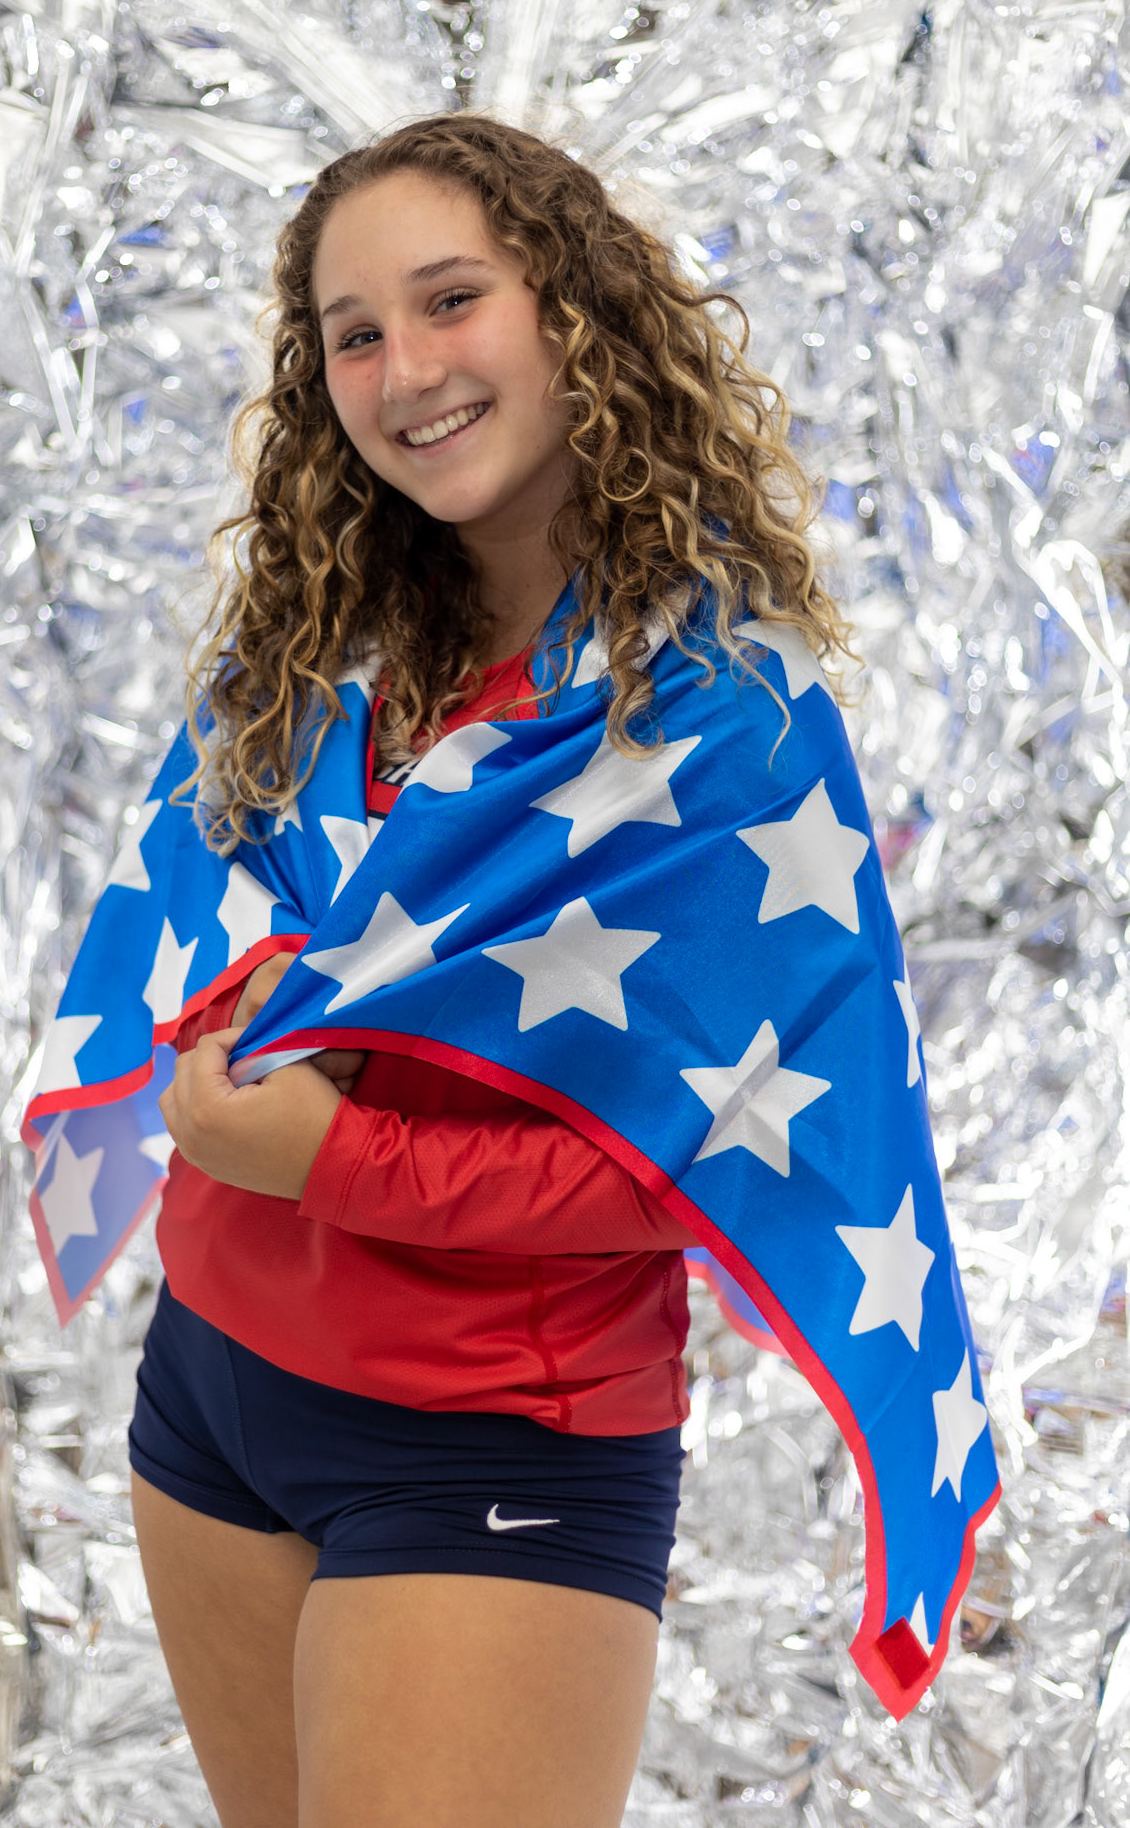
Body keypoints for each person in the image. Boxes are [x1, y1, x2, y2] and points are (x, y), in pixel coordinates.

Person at [125, 111, 852, 1828]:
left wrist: (319, 1153)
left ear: (572, 314)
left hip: (482, 1447)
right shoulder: (326, 647)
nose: (405, 368)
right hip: (213, 1381)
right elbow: (223, 932)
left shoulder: (719, 718)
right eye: (353, 332)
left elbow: (691, 1156)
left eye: (450, 300)